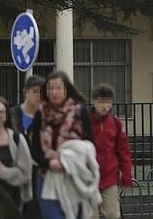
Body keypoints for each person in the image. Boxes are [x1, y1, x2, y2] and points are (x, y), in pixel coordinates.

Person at [36, 71, 100, 219]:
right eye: (50, 88)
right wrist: (49, 162)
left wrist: (67, 162)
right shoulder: (40, 113)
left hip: (73, 175)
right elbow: (35, 147)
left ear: (66, 89)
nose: (54, 92)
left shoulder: (79, 111)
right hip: (47, 175)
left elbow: (90, 143)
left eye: (58, 88)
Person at [89, 83, 133, 219]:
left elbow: (123, 150)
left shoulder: (116, 123)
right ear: (94, 102)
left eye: (107, 101)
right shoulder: (85, 122)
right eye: (101, 101)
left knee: (113, 214)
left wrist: (127, 176)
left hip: (109, 177)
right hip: (89, 177)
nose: (104, 105)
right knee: (91, 215)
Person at [10, 75, 45, 219]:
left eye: (42, 93)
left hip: (38, 172)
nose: (39, 96)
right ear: (26, 92)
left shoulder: (45, 117)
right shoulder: (13, 115)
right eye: (35, 92)